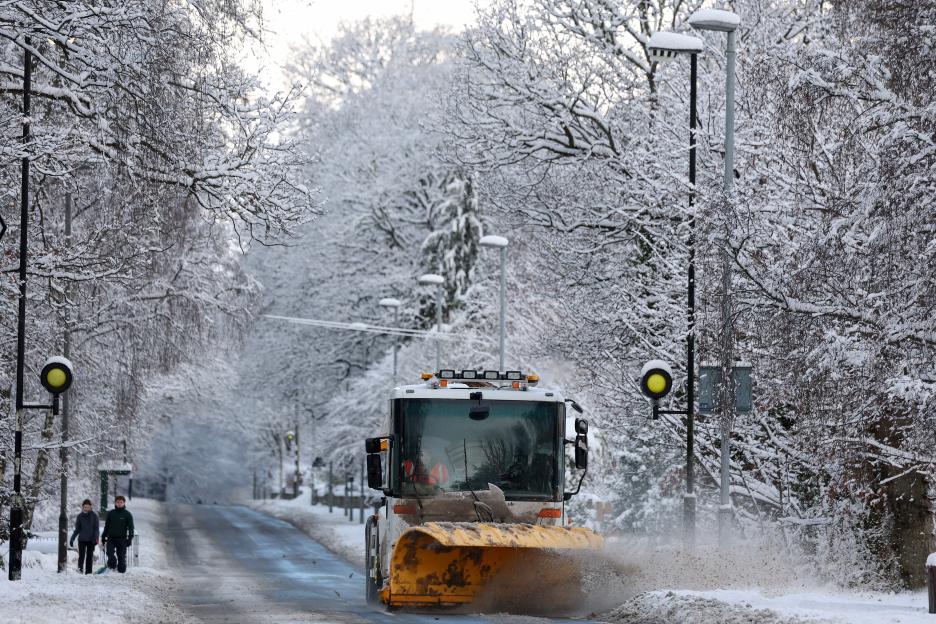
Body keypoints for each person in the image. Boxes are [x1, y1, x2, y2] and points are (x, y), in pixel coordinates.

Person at [101, 495, 134, 573]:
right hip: (111, 538)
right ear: (115, 503)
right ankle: (112, 566)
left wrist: (130, 538)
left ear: (124, 503)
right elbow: (106, 526)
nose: (119, 504)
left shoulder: (127, 514)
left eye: (121, 502)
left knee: (121, 556)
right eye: (118, 502)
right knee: (110, 553)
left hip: (122, 539)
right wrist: (103, 536)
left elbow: (131, 527)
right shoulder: (111, 513)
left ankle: (121, 571)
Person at [69, 499, 99, 575]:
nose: (86, 508)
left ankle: (88, 572)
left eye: (88, 507)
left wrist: (96, 538)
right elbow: (77, 529)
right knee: (81, 556)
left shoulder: (94, 516)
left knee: (89, 556)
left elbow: (96, 529)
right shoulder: (80, 516)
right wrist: (72, 538)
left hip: (91, 540)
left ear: (90, 507)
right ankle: (80, 570)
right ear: (83, 507)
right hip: (82, 539)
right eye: (85, 507)